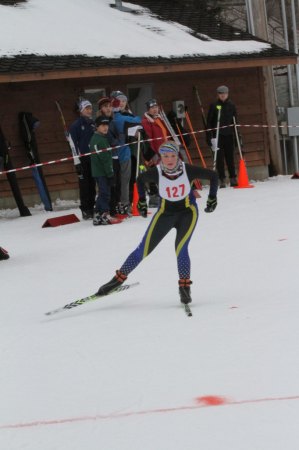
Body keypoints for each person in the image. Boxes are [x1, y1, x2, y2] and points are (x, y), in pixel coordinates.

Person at [96, 141, 218, 305]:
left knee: (181, 248)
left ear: (177, 156)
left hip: (187, 214)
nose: (169, 159)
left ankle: (184, 287)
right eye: (166, 156)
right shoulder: (157, 172)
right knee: (143, 249)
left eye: (173, 156)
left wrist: (212, 197)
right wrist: (141, 201)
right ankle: (116, 280)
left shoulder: (188, 170)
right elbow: (140, 179)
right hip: (164, 214)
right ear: (161, 157)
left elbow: (213, 176)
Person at [110, 91, 142, 215]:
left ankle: (125, 203)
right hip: (119, 152)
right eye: (119, 101)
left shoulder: (124, 114)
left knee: (125, 179)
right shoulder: (117, 117)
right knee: (119, 181)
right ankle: (122, 203)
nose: (122, 104)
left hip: (127, 151)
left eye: (124, 101)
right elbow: (137, 121)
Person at [89, 116, 120, 226]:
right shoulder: (100, 140)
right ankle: (105, 214)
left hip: (99, 172)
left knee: (102, 193)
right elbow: (106, 160)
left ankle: (97, 214)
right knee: (105, 194)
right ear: (97, 127)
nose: (105, 127)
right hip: (102, 172)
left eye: (107, 125)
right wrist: (110, 174)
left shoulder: (98, 138)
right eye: (103, 125)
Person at [69, 99, 96, 219]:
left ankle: (92, 207)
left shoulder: (93, 124)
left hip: (93, 158)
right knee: (84, 185)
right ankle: (85, 209)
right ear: (81, 111)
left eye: (90, 108)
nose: (89, 111)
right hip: (82, 159)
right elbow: (73, 145)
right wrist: (77, 162)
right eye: (86, 108)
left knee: (92, 184)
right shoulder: (75, 125)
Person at [206, 85, 238, 188]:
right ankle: (222, 179)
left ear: (227, 94)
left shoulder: (231, 105)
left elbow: (235, 121)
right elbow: (209, 122)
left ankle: (233, 178)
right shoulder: (214, 105)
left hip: (228, 135)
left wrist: (237, 136)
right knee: (219, 158)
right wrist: (209, 136)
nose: (223, 95)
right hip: (217, 135)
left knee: (230, 157)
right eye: (221, 94)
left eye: (224, 93)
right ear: (218, 95)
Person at [97, 96, 121, 216]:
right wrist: (115, 141)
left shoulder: (112, 120)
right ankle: (109, 210)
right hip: (108, 157)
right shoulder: (102, 122)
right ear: (101, 109)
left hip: (116, 156)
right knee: (110, 185)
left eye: (109, 106)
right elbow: (109, 139)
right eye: (105, 106)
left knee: (116, 184)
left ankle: (114, 207)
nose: (108, 108)